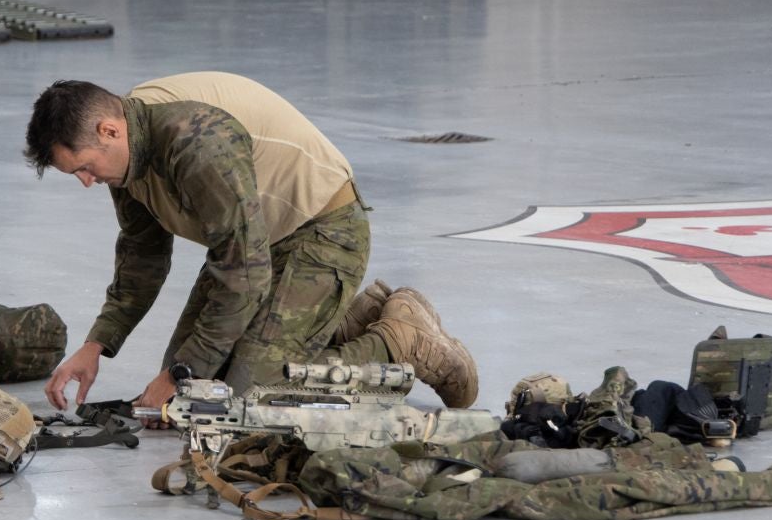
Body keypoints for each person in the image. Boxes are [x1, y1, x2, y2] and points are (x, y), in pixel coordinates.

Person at [25, 72, 478, 413]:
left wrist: (179, 374)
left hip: (322, 232)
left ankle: (402, 342)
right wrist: (96, 346)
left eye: (84, 167)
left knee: (249, 396)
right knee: (201, 393)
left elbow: (244, 274)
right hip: (255, 244)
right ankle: (355, 319)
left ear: (108, 130)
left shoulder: (197, 144)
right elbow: (143, 255)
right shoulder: (127, 149)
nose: (87, 181)